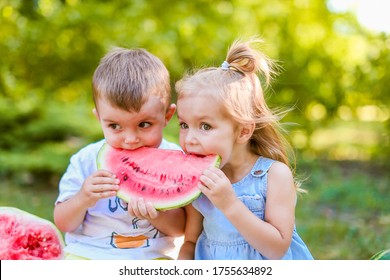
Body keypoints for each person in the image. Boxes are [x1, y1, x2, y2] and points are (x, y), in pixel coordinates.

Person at [175, 37, 313, 260]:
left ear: (243, 131)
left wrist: (229, 204)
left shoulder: (274, 175)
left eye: (205, 126)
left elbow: (277, 249)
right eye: (183, 125)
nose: (189, 138)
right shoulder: (199, 179)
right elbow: (190, 241)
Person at [54, 47, 185, 260]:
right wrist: (83, 198)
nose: (130, 139)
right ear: (99, 119)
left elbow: (180, 229)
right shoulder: (86, 160)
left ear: (167, 116)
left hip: (151, 257)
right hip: (88, 254)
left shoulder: (176, 161)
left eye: (144, 124)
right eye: (115, 126)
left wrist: (157, 214)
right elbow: (63, 222)